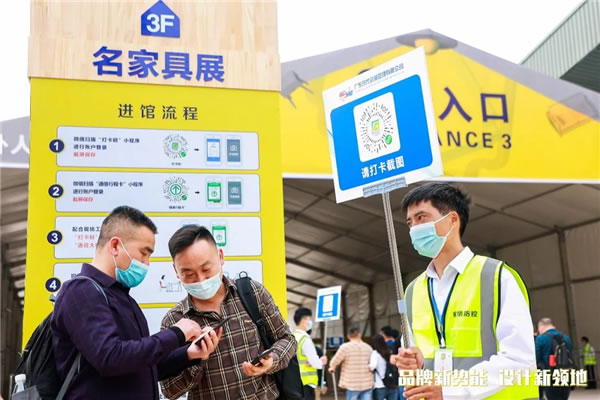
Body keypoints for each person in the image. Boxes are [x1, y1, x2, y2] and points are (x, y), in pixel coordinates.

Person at [391, 183, 538, 400]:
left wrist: (450, 391)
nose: (414, 229)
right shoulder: (413, 290)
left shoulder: (496, 277)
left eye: (421, 218)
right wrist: (411, 365)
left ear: (452, 219)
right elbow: (417, 362)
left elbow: (519, 359)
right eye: (410, 223)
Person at [51, 206, 208, 399]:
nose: (147, 263)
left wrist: (188, 354)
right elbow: (110, 358)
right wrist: (176, 333)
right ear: (115, 246)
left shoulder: (123, 298)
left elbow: (144, 368)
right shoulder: (81, 291)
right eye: (144, 253)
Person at [160, 225, 297, 399]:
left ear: (220, 256)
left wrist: (272, 360)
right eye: (189, 274)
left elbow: (287, 339)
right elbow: (169, 390)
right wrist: (195, 357)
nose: (201, 280)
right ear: (176, 271)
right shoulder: (174, 321)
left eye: (206, 269)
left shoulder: (252, 292)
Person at [328, 327, 373, 400]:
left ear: (348, 336)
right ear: (359, 335)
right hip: (367, 382)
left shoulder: (345, 347)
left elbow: (335, 360)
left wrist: (332, 366)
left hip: (352, 383)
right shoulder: (368, 348)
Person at [294, 307, 328, 400]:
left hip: (295, 382)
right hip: (307, 383)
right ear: (304, 320)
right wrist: (321, 361)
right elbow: (316, 363)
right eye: (309, 319)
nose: (310, 322)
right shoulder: (305, 339)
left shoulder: (293, 336)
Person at [535, 318, 574, 399]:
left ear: (541, 326)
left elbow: (536, 358)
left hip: (549, 375)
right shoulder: (566, 338)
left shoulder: (541, 338)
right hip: (565, 374)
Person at [370, 334, 399, 400]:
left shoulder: (375, 353)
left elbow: (372, 366)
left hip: (380, 384)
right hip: (392, 383)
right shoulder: (390, 351)